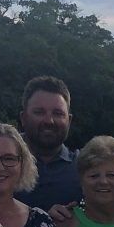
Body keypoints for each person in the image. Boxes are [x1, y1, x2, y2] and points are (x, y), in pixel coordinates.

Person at [16, 76, 82, 211]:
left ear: (69, 120)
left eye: (58, 113)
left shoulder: (84, 168)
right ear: (23, 118)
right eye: (39, 112)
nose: (49, 121)